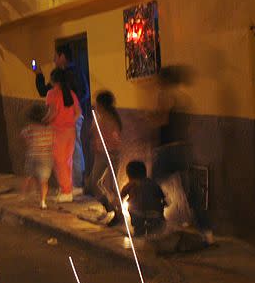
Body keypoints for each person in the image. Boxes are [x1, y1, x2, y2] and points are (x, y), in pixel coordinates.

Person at [34, 43, 89, 192]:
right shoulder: (70, 74)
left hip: (66, 123)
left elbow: (79, 95)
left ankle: (75, 185)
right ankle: (70, 185)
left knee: (69, 154)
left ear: (62, 56)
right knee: (68, 154)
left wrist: (68, 114)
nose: (54, 60)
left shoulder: (72, 74)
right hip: (68, 122)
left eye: (55, 57)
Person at [44, 69, 81, 203]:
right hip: (70, 131)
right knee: (67, 161)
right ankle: (66, 189)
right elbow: (78, 112)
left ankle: (66, 192)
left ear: (54, 80)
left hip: (58, 132)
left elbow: (52, 112)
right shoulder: (71, 94)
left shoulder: (51, 94)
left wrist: (44, 122)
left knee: (59, 163)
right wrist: (69, 121)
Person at [87, 91, 123, 223]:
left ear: (102, 105)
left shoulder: (109, 119)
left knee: (110, 186)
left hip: (110, 155)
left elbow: (114, 138)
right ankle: (110, 208)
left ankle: (117, 213)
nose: (95, 105)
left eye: (97, 103)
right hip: (101, 155)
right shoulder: (100, 117)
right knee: (95, 184)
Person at [21, 103, 54, 209]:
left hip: (32, 155)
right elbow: (52, 142)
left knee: (28, 176)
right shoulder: (49, 129)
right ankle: (43, 201)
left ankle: (23, 196)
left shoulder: (30, 128)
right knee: (43, 181)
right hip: (45, 157)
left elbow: (24, 137)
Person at [121, 160, 166, 237]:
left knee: (137, 223)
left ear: (129, 175)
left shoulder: (131, 184)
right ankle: (154, 235)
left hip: (137, 213)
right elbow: (161, 195)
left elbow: (121, 195)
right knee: (155, 229)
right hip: (154, 212)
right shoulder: (152, 183)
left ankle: (139, 232)